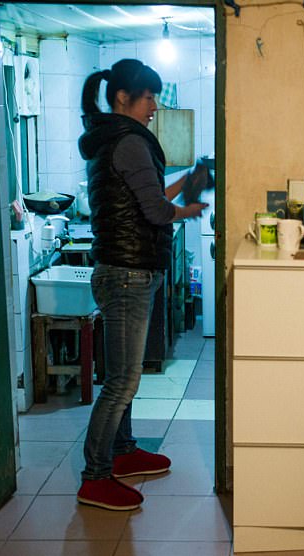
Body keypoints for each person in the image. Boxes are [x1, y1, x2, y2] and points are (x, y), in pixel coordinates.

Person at [75, 59, 207, 511]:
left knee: (124, 379)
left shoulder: (115, 139)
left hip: (126, 270)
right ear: (122, 99)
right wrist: (191, 209)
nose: (154, 105)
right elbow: (153, 212)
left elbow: (145, 197)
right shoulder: (129, 141)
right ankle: (95, 476)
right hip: (127, 273)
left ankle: (123, 452)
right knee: (122, 381)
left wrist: (185, 184)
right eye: (148, 97)